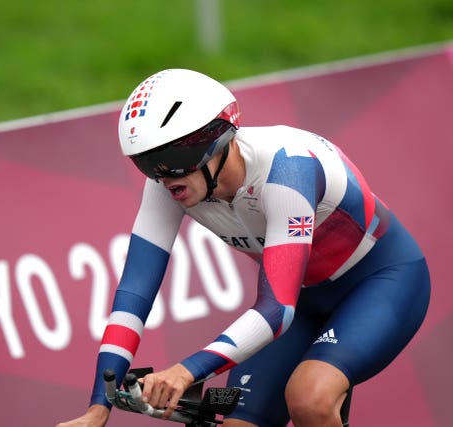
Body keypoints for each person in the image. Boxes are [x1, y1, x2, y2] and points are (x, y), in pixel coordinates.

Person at [55, 69, 430, 427]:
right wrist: (99, 405)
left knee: (309, 397)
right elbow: (135, 292)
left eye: (172, 159)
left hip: (380, 282)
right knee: (237, 420)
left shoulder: (288, 169)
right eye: (147, 163)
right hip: (303, 303)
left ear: (215, 141)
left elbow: (276, 310)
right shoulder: (170, 181)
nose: (162, 175)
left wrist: (186, 372)